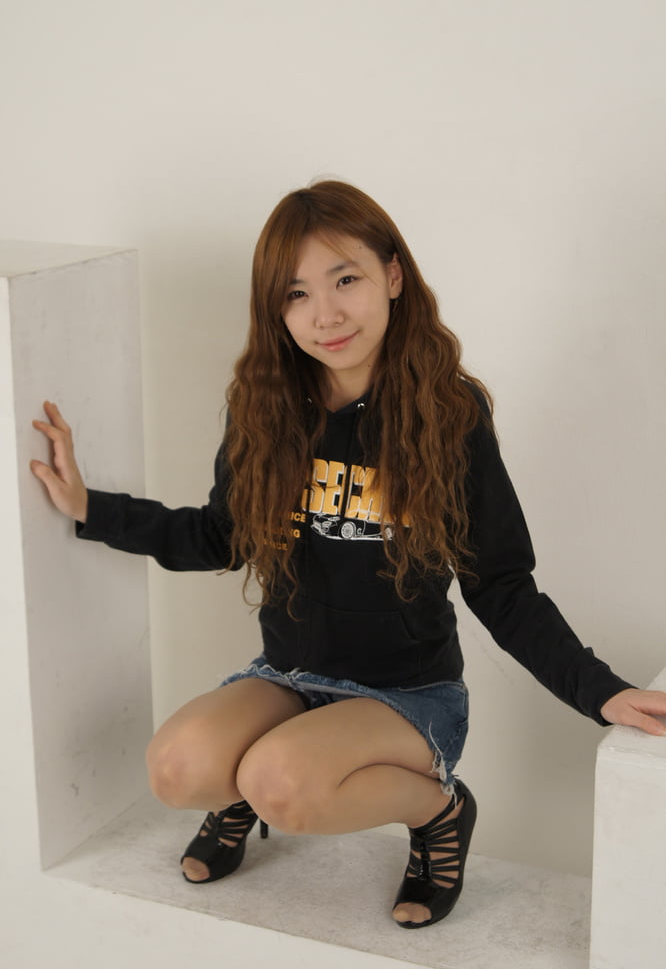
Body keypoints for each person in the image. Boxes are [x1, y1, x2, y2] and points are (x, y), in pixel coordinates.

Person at [31, 180, 666, 930]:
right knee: (175, 770)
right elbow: (221, 537)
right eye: (297, 294)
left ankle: (439, 811)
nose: (325, 315)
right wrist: (91, 507)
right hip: (289, 676)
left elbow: (500, 583)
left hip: (407, 695)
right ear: (277, 311)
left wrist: (599, 690)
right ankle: (238, 790)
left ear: (392, 276)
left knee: (282, 785)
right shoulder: (264, 407)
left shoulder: (449, 414)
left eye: (345, 280)